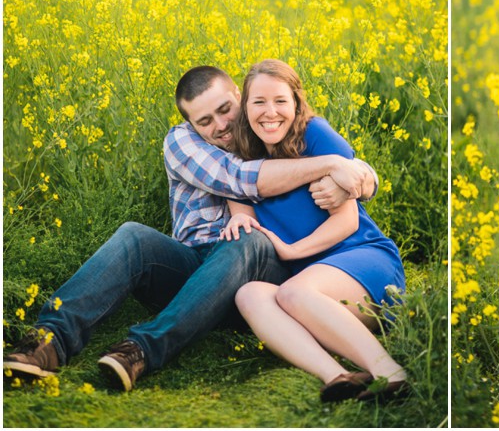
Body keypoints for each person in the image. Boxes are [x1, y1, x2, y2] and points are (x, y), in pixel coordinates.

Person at [3, 65, 377, 392]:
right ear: (190, 123)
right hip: (195, 264)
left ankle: (142, 351)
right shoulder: (182, 141)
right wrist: (332, 165)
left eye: (225, 110)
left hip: (258, 272)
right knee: (135, 235)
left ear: (238, 96)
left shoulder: (267, 126)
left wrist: (362, 176)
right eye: (204, 121)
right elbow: (239, 177)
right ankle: (47, 341)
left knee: (248, 237)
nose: (220, 126)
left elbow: (344, 162)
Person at [221, 59, 408, 403]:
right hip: (311, 288)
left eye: (280, 101)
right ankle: (338, 375)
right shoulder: (239, 161)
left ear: (296, 103)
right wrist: (235, 218)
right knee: (248, 295)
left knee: (292, 292)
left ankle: (390, 372)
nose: (269, 112)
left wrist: (292, 252)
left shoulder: (315, 135)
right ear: (244, 107)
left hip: (360, 258)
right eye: (258, 102)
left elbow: (348, 220)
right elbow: (241, 211)